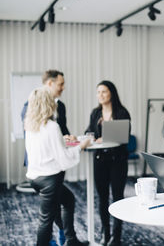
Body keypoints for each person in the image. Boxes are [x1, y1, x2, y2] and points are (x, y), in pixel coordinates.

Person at [24, 87, 90, 246]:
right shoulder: (52, 126)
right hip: (49, 180)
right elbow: (64, 159)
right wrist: (81, 146)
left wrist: (63, 141)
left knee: (68, 200)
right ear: (48, 103)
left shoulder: (31, 125)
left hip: (35, 178)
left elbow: (46, 147)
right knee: (45, 219)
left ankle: (71, 240)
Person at [20, 69, 76, 245]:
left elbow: (60, 132)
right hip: (45, 170)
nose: (63, 88)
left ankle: (67, 238)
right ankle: (60, 238)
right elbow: (42, 140)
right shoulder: (31, 111)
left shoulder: (56, 112)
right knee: (47, 217)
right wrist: (77, 147)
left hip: (45, 171)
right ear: (50, 84)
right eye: (61, 84)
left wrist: (65, 138)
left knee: (65, 201)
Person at [85, 80, 131, 246]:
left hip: (118, 161)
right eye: (98, 92)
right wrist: (90, 137)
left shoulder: (122, 112)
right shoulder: (95, 113)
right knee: (102, 198)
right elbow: (89, 131)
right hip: (100, 160)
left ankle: (116, 236)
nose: (100, 95)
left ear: (111, 92)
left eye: (103, 91)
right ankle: (106, 232)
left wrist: (109, 137)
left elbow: (125, 136)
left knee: (118, 198)